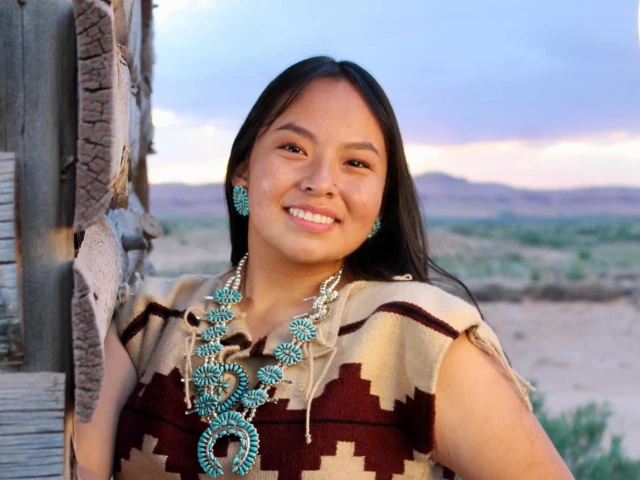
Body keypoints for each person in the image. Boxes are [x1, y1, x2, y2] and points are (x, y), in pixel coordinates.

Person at [74, 56, 574, 479]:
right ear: (243, 171)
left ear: (381, 202)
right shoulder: (147, 321)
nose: (321, 182)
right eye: (293, 148)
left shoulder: (417, 336)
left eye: (356, 163)